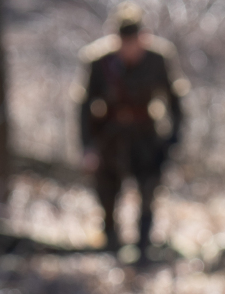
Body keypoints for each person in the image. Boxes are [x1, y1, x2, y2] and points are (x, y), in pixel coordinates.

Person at [78, 4, 187, 261]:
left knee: (148, 190)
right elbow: (84, 105)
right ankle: (111, 243)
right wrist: (88, 146)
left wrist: (173, 139)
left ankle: (143, 248)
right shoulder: (99, 61)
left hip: (146, 135)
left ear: (143, 37)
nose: (129, 48)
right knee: (107, 192)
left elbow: (175, 100)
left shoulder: (158, 59)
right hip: (110, 136)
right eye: (124, 42)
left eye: (134, 41)